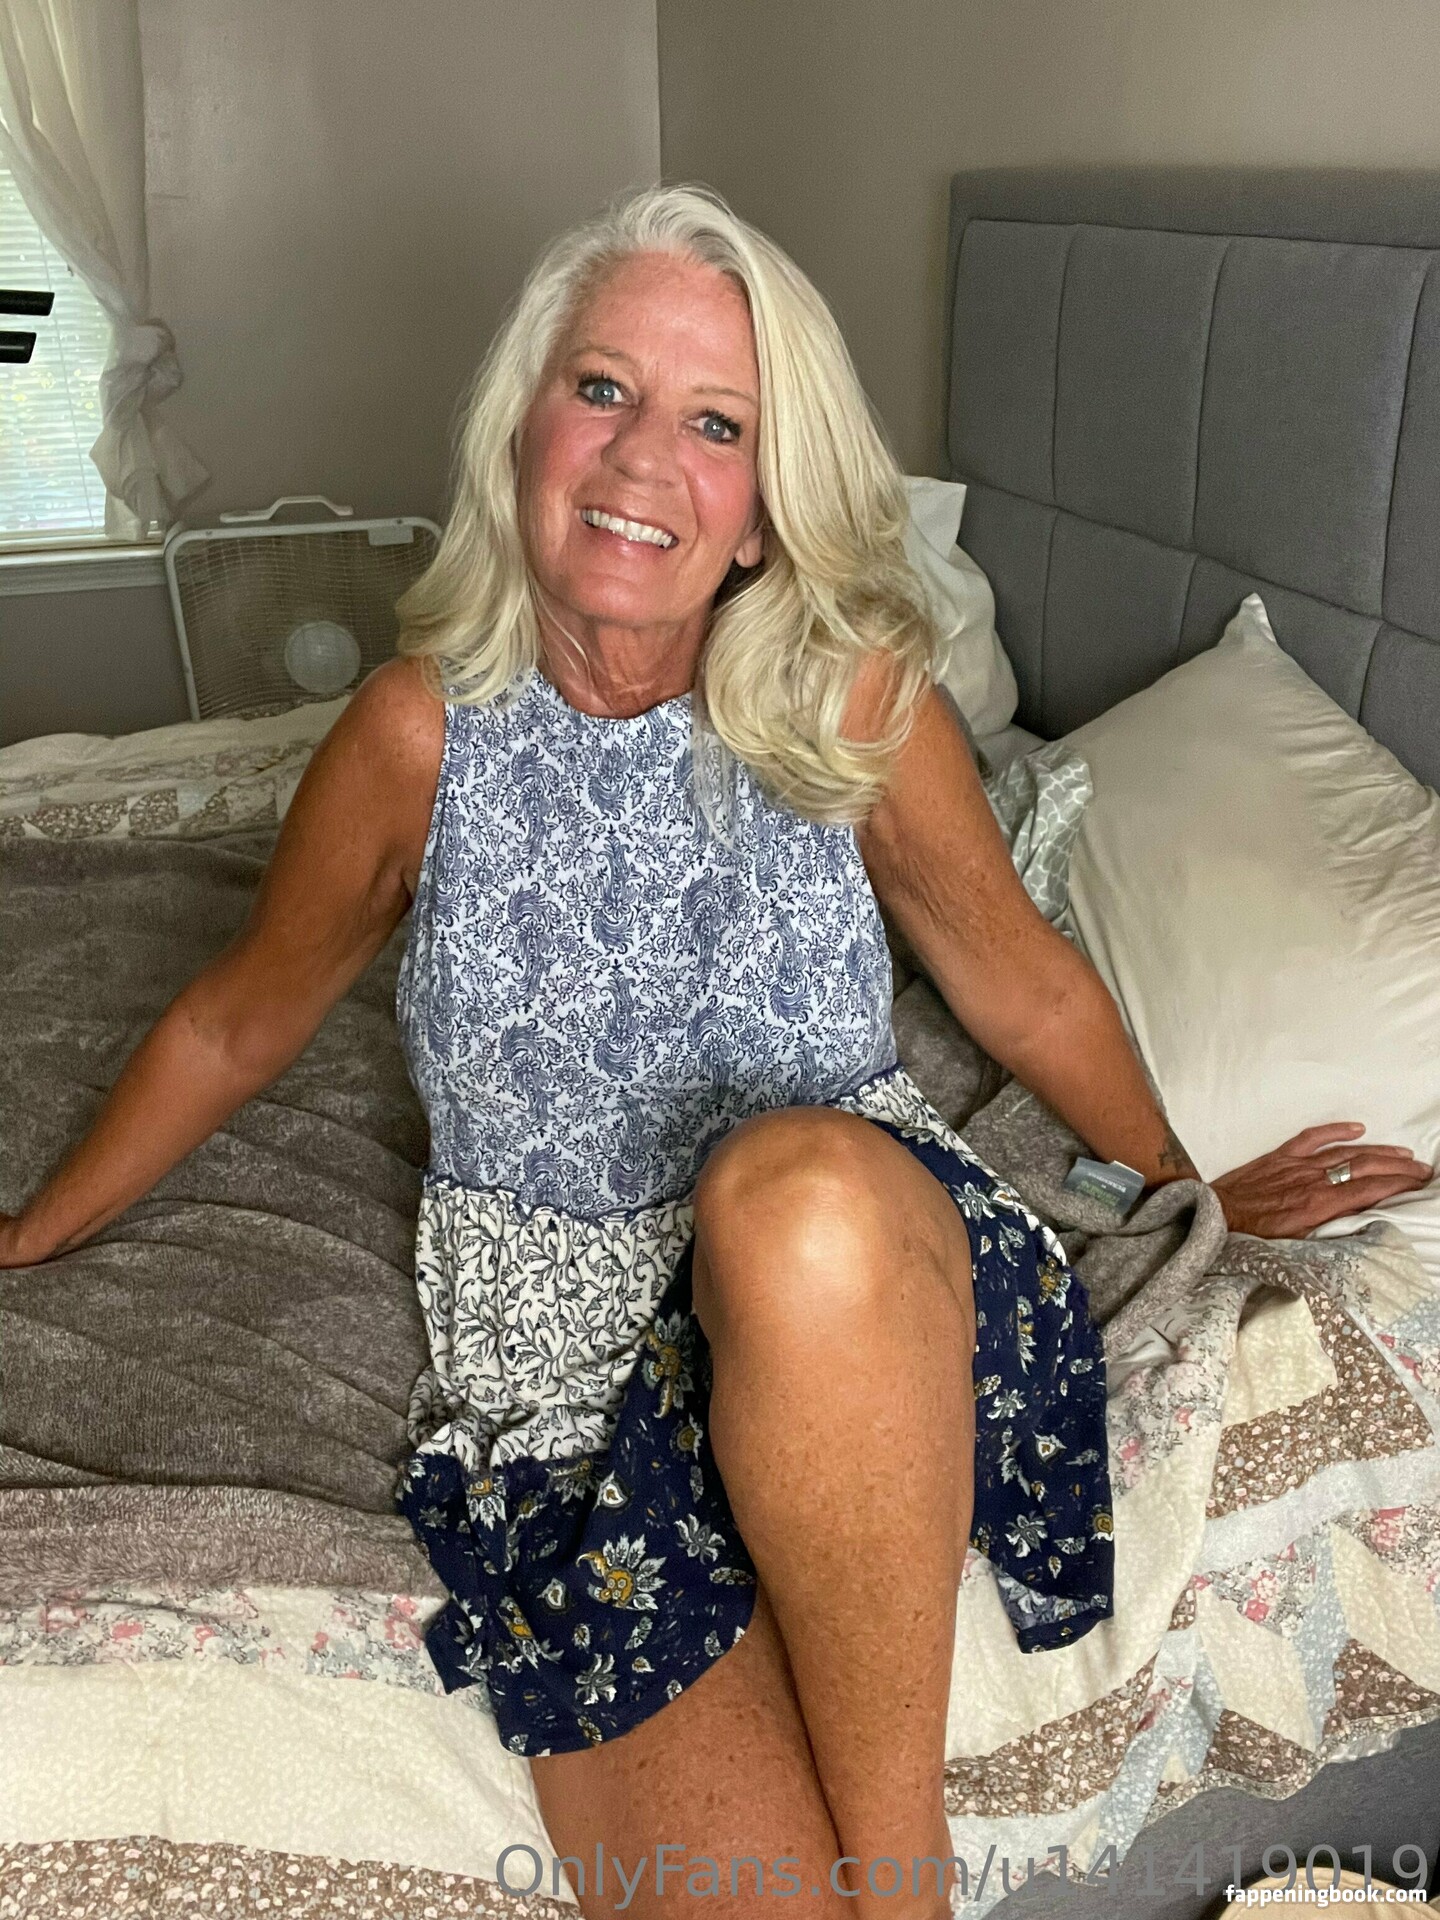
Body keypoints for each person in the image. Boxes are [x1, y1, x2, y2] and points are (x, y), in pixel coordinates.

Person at [0, 184, 1431, 1920]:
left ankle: (907, 1884)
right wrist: (29, 1234)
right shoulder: (414, 738)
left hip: (861, 1288)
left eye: (716, 424)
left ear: (761, 513)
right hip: (562, 1377)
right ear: (524, 429)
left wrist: (1186, 1193)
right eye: (602, 389)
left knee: (789, 1196)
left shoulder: (851, 706)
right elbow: (243, 1012)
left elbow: (1023, 986)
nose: (640, 457)